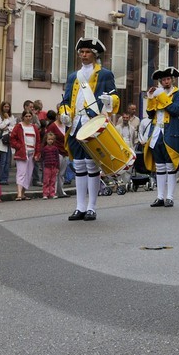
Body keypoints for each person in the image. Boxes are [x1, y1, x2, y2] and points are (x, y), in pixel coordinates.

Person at [62, 38, 115, 221]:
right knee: (78, 165)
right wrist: (65, 113)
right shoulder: (73, 76)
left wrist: (110, 101)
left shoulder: (105, 74)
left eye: (87, 52)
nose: (83, 55)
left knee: (91, 165)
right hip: (76, 124)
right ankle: (79, 207)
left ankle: (92, 207)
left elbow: (114, 96)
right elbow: (66, 101)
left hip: (93, 123)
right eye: (81, 52)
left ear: (95, 54)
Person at [142, 67, 179, 208]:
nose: (165, 82)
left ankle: (170, 197)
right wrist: (150, 98)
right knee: (159, 166)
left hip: (170, 133)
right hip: (156, 133)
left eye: (168, 79)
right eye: (163, 80)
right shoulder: (157, 93)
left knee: (170, 166)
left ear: (172, 80)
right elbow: (150, 114)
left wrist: (161, 96)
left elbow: (175, 111)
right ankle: (160, 197)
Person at [9, 100, 40, 201]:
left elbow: (38, 142)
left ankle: (23, 193)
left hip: (32, 153)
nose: (28, 118)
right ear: (23, 117)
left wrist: (37, 153)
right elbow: (12, 139)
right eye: (26, 116)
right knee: (21, 173)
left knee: (28, 173)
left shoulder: (34, 127)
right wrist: (19, 146)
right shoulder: (19, 127)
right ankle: (18, 193)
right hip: (22, 153)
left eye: (29, 116)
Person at [40, 108, 65, 200]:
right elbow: (43, 156)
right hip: (53, 156)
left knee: (60, 174)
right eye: (61, 115)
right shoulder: (53, 126)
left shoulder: (66, 125)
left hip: (63, 152)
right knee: (48, 179)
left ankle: (58, 191)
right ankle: (48, 193)